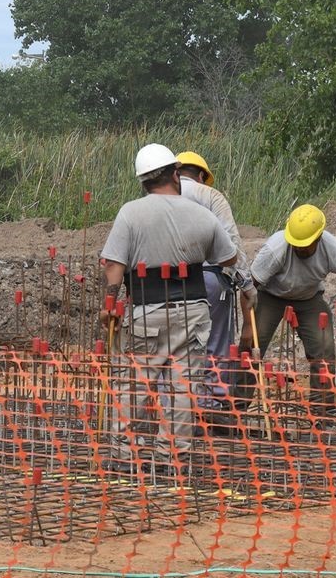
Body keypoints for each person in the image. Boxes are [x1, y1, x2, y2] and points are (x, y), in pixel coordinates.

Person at [99, 143, 238, 476]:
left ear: (143, 180)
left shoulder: (130, 213)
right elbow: (229, 256)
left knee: (136, 383)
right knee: (183, 386)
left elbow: (114, 265)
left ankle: (123, 454)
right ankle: (171, 458)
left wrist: (109, 304)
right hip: (193, 310)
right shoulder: (201, 214)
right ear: (175, 174)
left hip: (147, 310)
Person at [250, 204, 336, 416]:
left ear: (318, 238)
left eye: (305, 246)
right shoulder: (275, 249)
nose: (300, 249)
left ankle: (322, 411)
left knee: (324, 349)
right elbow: (248, 287)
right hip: (270, 296)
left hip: (308, 298)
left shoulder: (333, 249)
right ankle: (235, 407)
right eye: (296, 245)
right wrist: (247, 326)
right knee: (251, 347)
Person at [176, 151, 256, 357]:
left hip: (165, 282)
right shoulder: (210, 195)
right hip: (208, 279)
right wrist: (247, 285)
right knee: (215, 348)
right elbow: (231, 242)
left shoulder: (158, 197)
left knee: (175, 349)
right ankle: (216, 378)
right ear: (201, 176)